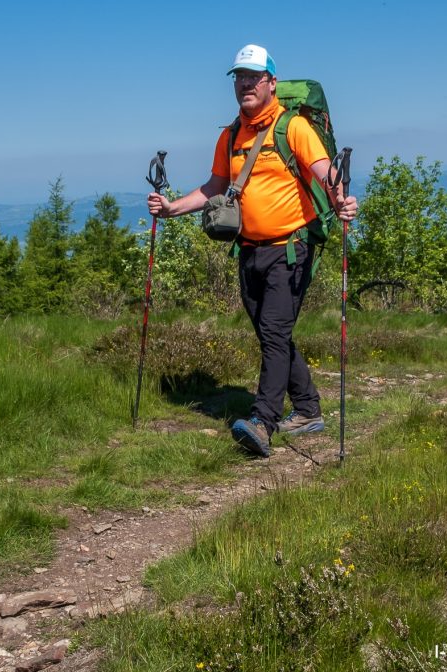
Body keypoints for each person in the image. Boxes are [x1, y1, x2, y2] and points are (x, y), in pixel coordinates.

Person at [147, 44, 358, 458]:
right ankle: (308, 408)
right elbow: (213, 187)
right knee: (270, 332)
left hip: (291, 249)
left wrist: (342, 201)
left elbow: (323, 172)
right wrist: (172, 209)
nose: (244, 83)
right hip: (248, 249)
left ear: (271, 83)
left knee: (275, 332)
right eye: (239, 77)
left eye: (253, 77)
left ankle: (263, 421)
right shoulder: (229, 135)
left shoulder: (292, 127)